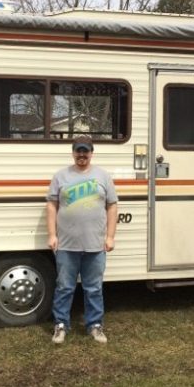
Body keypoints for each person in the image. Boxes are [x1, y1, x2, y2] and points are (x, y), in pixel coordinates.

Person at [46, 135, 118, 344]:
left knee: (93, 288)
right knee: (64, 287)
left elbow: (112, 206)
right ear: (73, 152)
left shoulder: (103, 176)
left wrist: (110, 236)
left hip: (96, 245)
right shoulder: (61, 176)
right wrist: (52, 234)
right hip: (67, 245)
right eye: (78, 151)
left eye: (85, 151)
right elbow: (52, 205)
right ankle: (60, 325)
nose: (82, 155)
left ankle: (95, 325)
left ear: (91, 153)